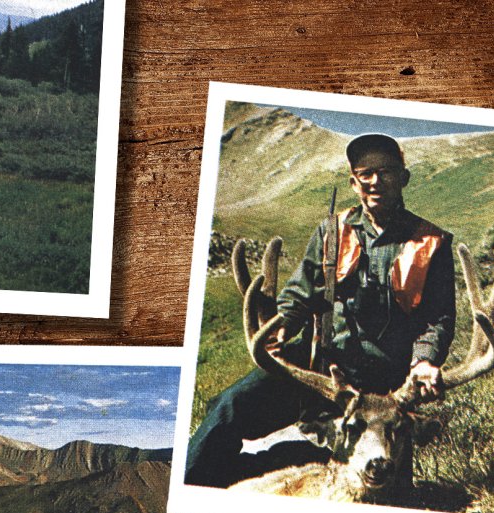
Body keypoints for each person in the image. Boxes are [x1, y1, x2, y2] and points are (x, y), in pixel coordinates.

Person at [185, 133, 457, 487]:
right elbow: (301, 290)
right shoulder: (332, 230)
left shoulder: (432, 242)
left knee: (360, 480)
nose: (376, 182)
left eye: (387, 172)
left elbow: (438, 318)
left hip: (382, 390)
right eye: (366, 173)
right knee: (229, 407)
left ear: (403, 177)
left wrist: (425, 360)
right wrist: (282, 325)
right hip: (319, 367)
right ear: (353, 182)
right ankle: (191, 485)